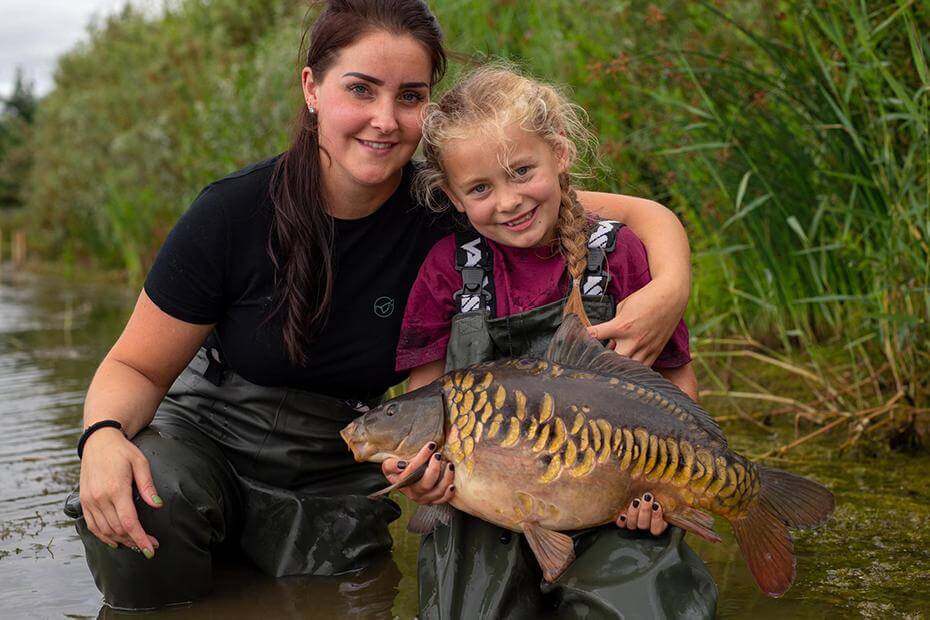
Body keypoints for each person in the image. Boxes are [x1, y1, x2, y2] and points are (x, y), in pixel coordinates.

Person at [64, 0, 694, 612]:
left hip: (338, 461)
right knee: (143, 499)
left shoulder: (445, 206)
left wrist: (670, 286)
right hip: (210, 436)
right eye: (361, 90)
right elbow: (136, 369)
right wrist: (101, 437)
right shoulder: (230, 213)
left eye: (410, 97)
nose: (385, 120)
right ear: (312, 88)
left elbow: (620, 212)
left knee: (341, 599)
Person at [387, 66, 717, 619]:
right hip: (481, 514)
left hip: (612, 502)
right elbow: (424, 409)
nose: (510, 201)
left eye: (521, 171)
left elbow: (677, 383)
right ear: (452, 195)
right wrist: (417, 480)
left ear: (559, 155)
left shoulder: (619, 254)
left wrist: (662, 495)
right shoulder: (447, 271)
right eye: (480, 188)